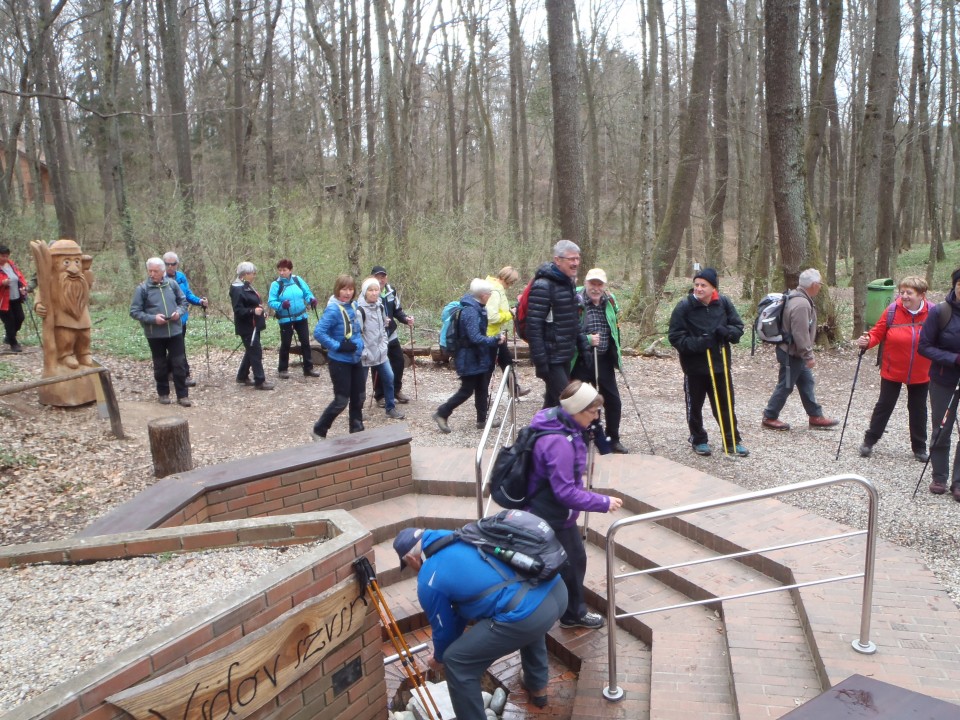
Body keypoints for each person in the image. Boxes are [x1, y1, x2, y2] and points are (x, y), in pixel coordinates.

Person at [393, 526, 567, 718]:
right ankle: (537, 687)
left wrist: (440, 658)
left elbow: (443, 630)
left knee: (456, 661)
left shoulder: (429, 578)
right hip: (556, 591)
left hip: (529, 616)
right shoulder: (465, 536)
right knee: (524, 606)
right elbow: (460, 613)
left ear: (410, 558)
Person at [524, 380, 624, 629]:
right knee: (571, 562)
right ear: (577, 410)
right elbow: (565, 492)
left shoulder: (555, 419)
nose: (597, 416)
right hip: (551, 514)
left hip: (543, 508)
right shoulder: (559, 443)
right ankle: (571, 614)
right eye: (593, 412)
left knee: (570, 560)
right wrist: (603, 502)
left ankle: (564, 610)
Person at [667, 268, 748, 457]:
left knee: (726, 404)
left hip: (720, 365)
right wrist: (699, 343)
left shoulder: (724, 303)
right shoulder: (684, 307)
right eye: (696, 285)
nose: (699, 288)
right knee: (694, 405)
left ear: (713, 288)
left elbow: (738, 327)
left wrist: (727, 333)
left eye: (703, 285)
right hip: (694, 367)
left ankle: (731, 441)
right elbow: (675, 337)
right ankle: (698, 439)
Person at [856, 276, 931, 461]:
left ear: (922, 295)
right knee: (885, 405)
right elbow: (877, 333)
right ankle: (869, 441)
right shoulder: (892, 311)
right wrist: (866, 342)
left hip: (921, 371)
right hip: (893, 368)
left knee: (918, 409)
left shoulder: (933, 313)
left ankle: (920, 447)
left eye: (909, 293)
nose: (904, 296)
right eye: (902, 292)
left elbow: (942, 336)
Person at [761, 268, 838, 431]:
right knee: (786, 384)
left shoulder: (798, 297)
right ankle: (770, 416)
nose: (820, 287)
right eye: (820, 284)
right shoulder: (802, 303)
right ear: (814, 284)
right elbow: (800, 333)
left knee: (806, 382)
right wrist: (808, 356)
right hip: (792, 353)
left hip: (793, 352)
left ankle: (815, 416)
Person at [432, 279, 503, 433]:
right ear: (484, 295)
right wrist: (495, 340)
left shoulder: (478, 307)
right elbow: (475, 337)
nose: (490, 296)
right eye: (489, 294)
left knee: (482, 387)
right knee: (467, 390)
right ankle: (442, 413)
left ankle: (482, 420)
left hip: (478, 356)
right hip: (468, 357)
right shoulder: (470, 311)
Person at [571, 268, 628, 454]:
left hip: (603, 358)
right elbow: (567, 332)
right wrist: (587, 340)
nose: (595, 288)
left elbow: (614, 328)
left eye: (599, 284)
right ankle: (584, 437)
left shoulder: (610, 302)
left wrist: (616, 353)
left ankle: (613, 439)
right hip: (580, 359)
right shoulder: (575, 301)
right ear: (586, 283)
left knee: (613, 401)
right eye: (592, 284)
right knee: (582, 400)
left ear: (604, 286)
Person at [918, 268, 960, 500]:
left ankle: (958, 482)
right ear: (954, 286)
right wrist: (953, 358)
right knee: (942, 427)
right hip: (944, 379)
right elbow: (924, 346)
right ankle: (940, 476)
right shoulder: (940, 312)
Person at [527, 240, 584, 408]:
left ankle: (540, 433)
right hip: (550, 357)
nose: (575, 263)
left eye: (577, 259)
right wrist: (540, 361)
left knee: (552, 404)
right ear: (557, 260)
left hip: (565, 353)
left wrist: (583, 346)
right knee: (568, 403)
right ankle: (577, 434)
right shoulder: (543, 286)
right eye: (571, 259)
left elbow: (573, 319)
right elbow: (534, 326)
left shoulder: (568, 283)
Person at [130, 258, 191, 406]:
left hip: (175, 331)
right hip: (155, 334)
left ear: (163, 271)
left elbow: (183, 302)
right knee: (160, 365)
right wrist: (153, 319)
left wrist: (178, 312)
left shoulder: (172, 284)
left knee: (179, 364)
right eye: (150, 271)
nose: (152, 274)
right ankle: (163, 393)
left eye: (155, 271)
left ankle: (182, 395)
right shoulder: (142, 289)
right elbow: (134, 311)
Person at [313, 274, 365, 438]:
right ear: (337, 290)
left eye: (350, 289)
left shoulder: (354, 305)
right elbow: (319, 333)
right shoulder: (333, 309)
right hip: (339, 361)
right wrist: (338, 346)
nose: (347, 293)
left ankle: (357, 430)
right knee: (341, 401)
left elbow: (357, 331)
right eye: (344, 289)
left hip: (355, 359)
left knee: (359, 397)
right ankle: (319, 430)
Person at [357, 277, 404, 420]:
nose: (374, 293)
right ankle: (357, 411)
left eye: (376, 290)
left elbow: (384, 328)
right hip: (365, 355)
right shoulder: (359, 311)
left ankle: (390, 408)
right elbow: (357, 334)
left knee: (389, 378)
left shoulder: (380, 306)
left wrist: (384, 346)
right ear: (365, 292)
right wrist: (363, 351)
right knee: (360, 385)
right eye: (371, 290)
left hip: (380, 353)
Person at [267, 259, 321, 379]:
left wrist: (311, 300)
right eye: (280, 270)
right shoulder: (276, 285)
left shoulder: (297, 280)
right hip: (286, 319)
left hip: (301, 317)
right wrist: (281, 306)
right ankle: (282, 369)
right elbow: (271, 301)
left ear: (290, 270)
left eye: (284, 270)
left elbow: (307, 293)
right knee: (286, 344)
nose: (281, 273)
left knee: (305, 343)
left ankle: (308, 368)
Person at [162, 252, 208, 387]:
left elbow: (187, 294)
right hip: (166, 319)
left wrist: (199, 301)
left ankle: (170, 372)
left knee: (177, 347)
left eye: (173, 264)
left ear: (177, 264)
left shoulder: (181, 277)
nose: (170, 267)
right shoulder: (159, 279)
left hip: (181, 319)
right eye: (167, 264)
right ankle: (183, 374)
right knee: (177, 348)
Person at [370, 266, 414, 406]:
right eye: (378, 276)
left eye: (383, 276)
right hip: (376, 336)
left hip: (391, 334)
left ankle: (396, 390)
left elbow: (397, 310)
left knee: (398, 362)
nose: (381, 279)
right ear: (372, 278)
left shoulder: (391, 291)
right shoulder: (369, 293)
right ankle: (380, 395)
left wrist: (406, 319)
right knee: (378, 365)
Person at [485, 265, 531, 397]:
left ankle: (514, 389)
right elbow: (491, 316)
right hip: (490, 335)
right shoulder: (495, 291)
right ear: (507, 279)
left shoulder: (492, 286)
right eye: (512, 282)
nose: (511, 285)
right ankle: (483, 394)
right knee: (489, 367)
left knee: (506, 362)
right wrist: (510, 314)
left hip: (496, 334)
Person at [230, 262, 275, 391]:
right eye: (252, 273)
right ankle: (260, 380)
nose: (254, 276)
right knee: (255, 351)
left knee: (251, 350)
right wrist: (252, 311)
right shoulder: (237, 289)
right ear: (245, 274)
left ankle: (242, 376)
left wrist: (261, 312)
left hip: (254, 324)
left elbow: (255, 303)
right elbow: (238, 310)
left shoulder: (247, 286)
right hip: (247, 327)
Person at [0, 244, 28, 352]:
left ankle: (9, 336)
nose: (5, 258)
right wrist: (2, 283)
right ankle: (13, 343)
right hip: (3, 301)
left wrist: (23, 286)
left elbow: (19, 277)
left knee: (20, 318)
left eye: (6, 256)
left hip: (15, 297)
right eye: (2, 256)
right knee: (9, 322)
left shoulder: (11, 265)